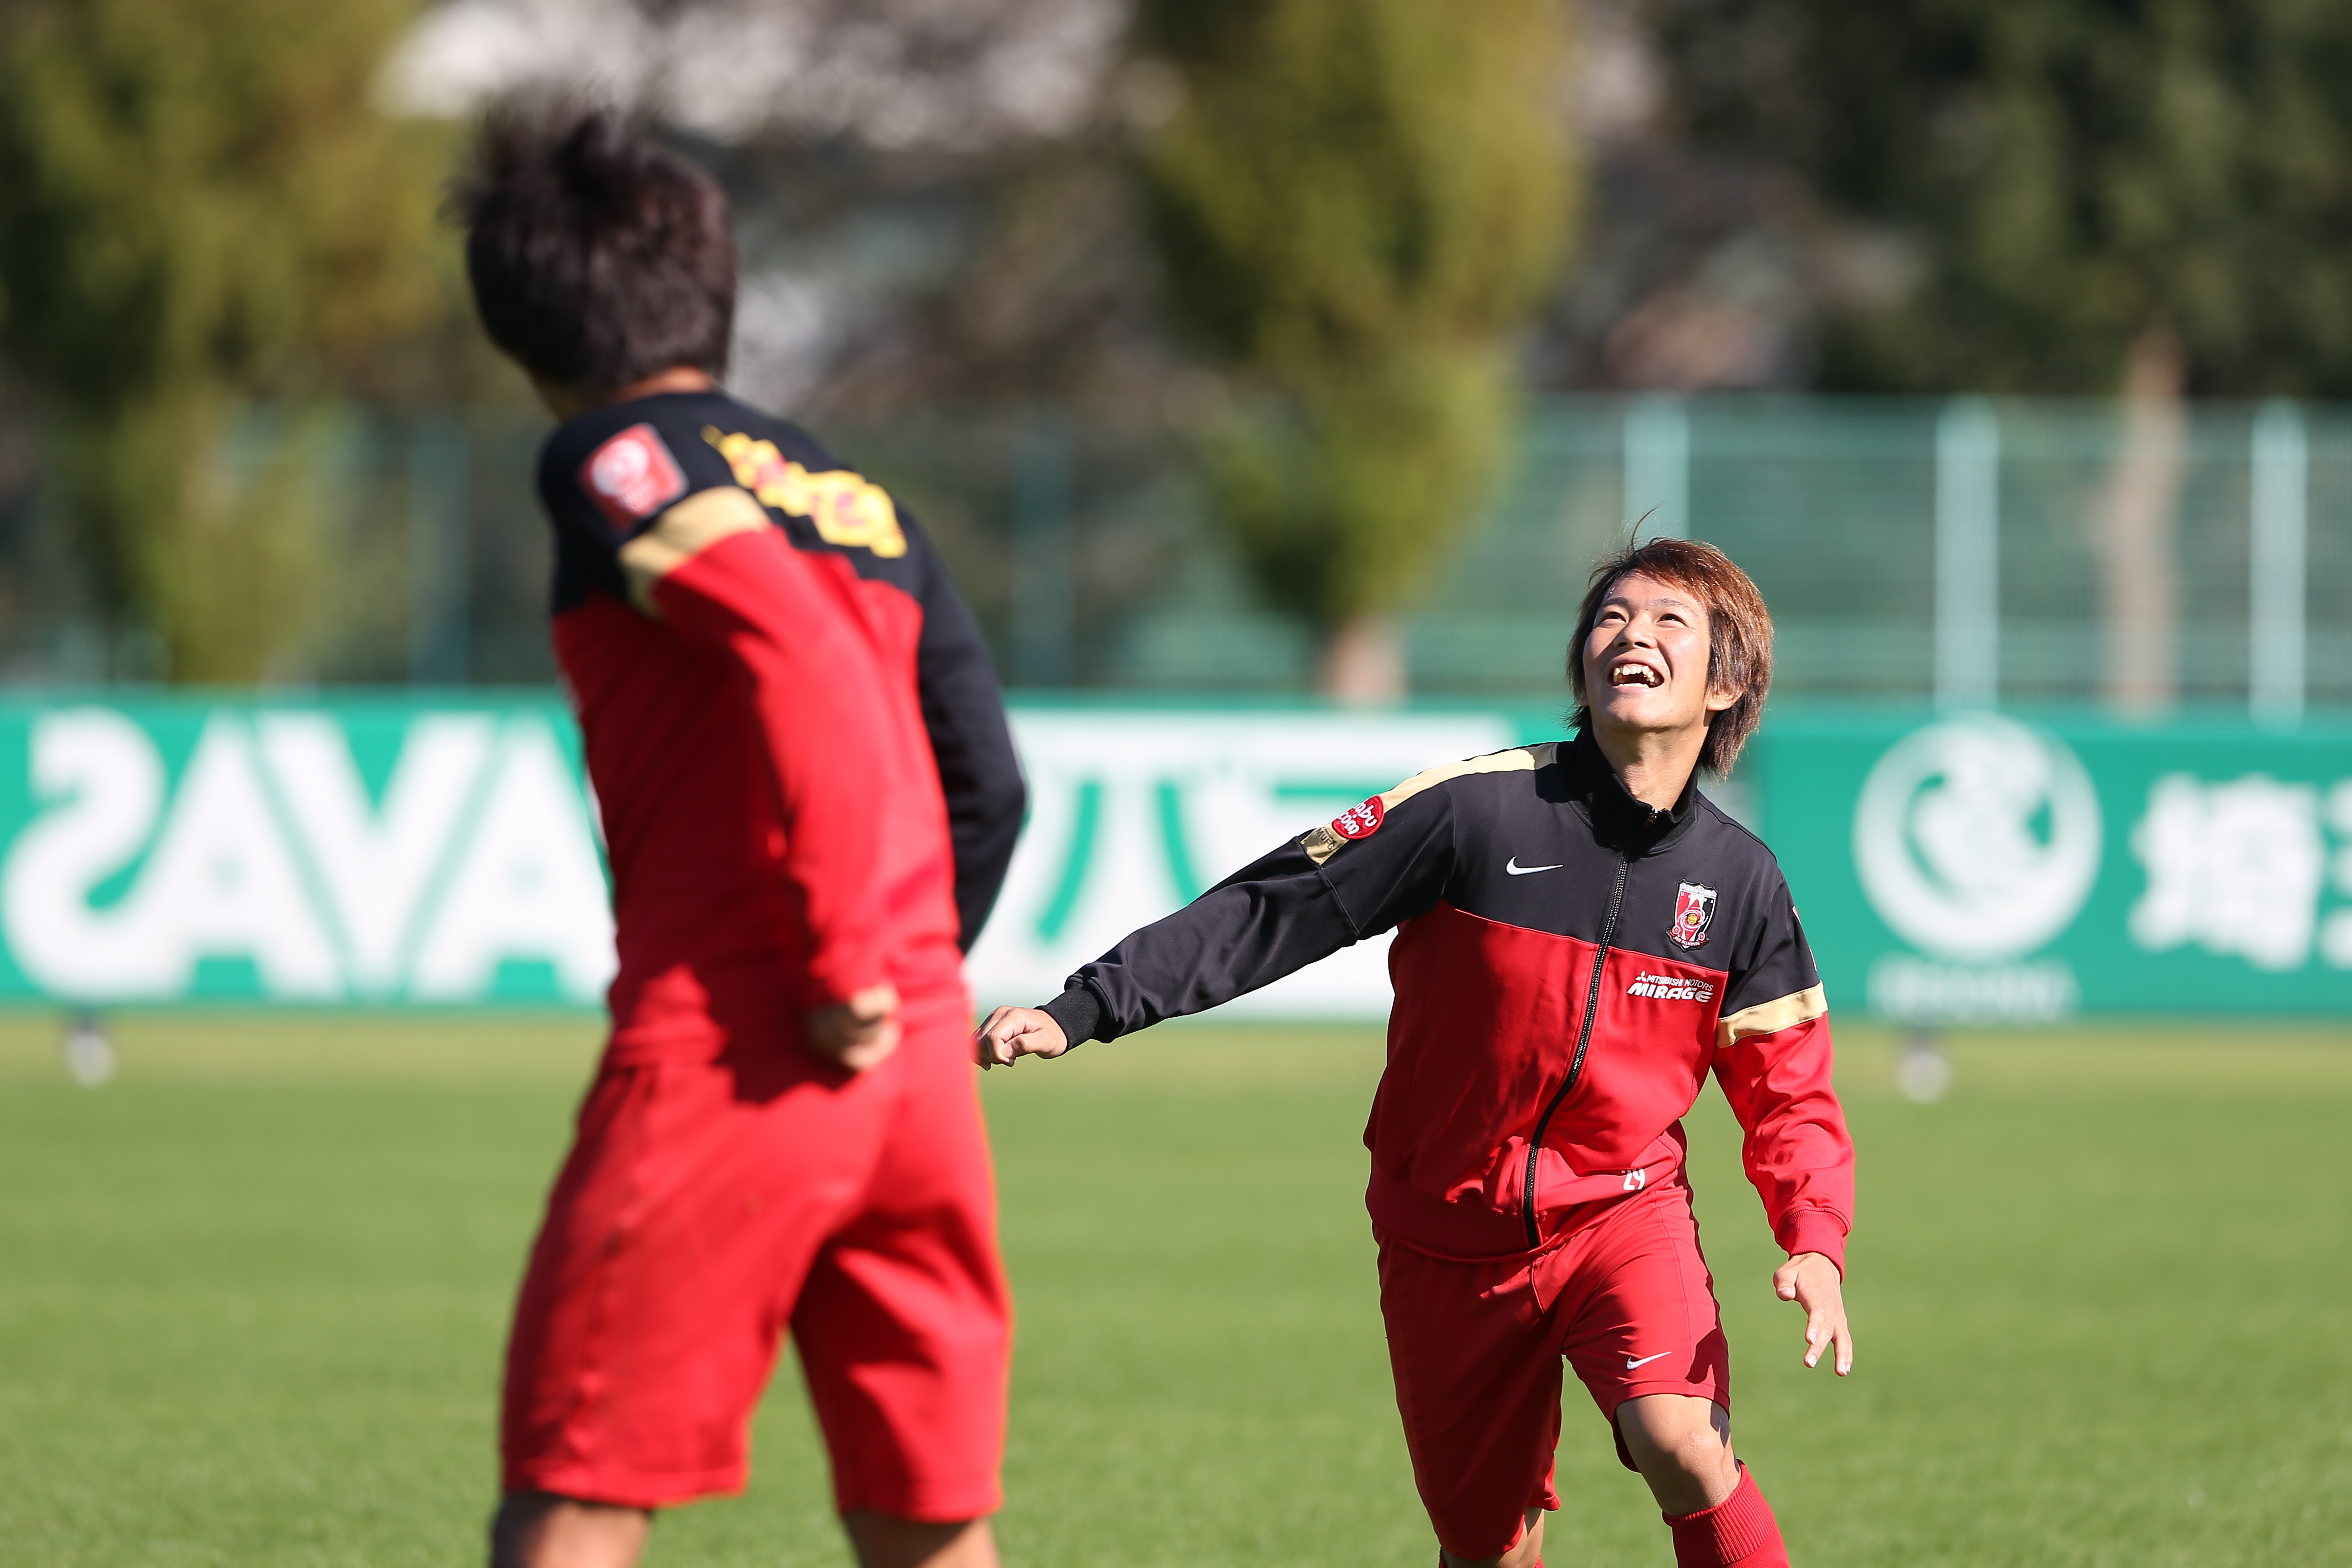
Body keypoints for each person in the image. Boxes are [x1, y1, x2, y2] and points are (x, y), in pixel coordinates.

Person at [977, 537, 1853, 1568]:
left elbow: (1788, 1088)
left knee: (1683, 1442)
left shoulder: (1742, 882)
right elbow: (1278, 908)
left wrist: (1816, 1240)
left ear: (1729, 680)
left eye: (1671, 623)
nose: (1633, 637)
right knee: (1489, 1549)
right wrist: (1087, 1007)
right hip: (1443, 1234)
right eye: (1613, 617)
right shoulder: (1474, 810)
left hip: (1621, 1214)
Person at [454, 107, 1026, 1568]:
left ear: (521, 323)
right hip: (912, 1069)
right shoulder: (863, 502)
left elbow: (803, 664)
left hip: (748, 1037)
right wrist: (908, 974)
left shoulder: (613, 456)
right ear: (714, 291)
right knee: (928, 1521)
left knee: (578, 1481)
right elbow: (988, 781)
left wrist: (839, 962)